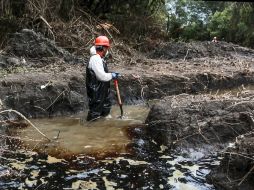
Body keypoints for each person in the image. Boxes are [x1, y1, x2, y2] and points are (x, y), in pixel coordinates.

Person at [86, 36, 119, 121]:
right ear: (103, 48)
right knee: (94, 114)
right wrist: (112, 75)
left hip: (102, 91)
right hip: (96, 93)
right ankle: (89, 129)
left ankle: (103, 126)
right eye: (106, 48)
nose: (107, 50)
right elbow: (101, 76)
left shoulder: (100, 58)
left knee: (105, 110)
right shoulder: (95, 59)